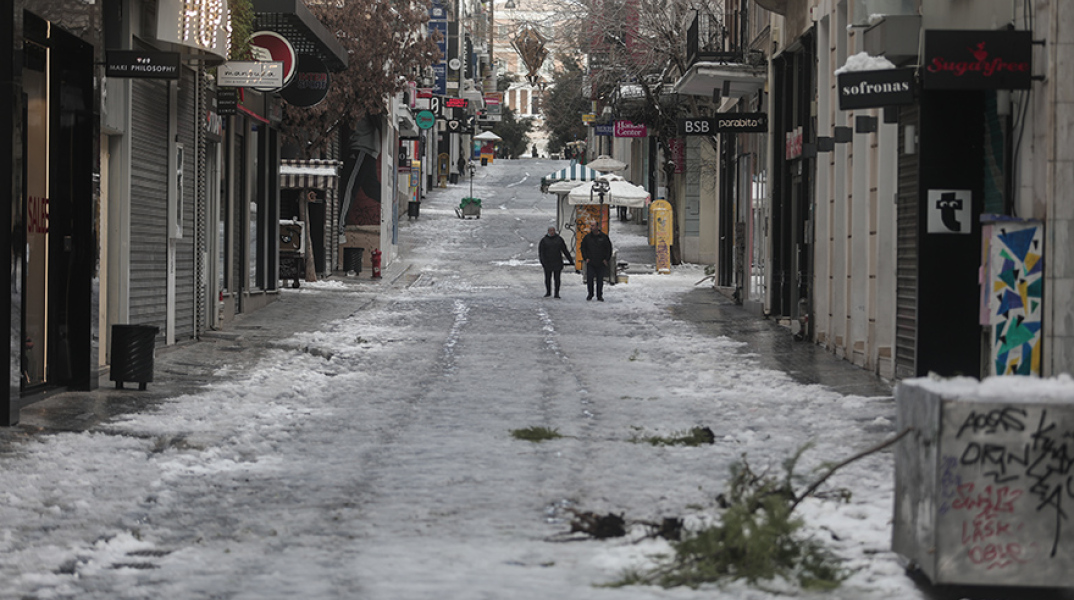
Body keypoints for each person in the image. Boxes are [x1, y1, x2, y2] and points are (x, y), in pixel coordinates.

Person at [538, 227, 573, 298]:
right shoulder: (544, 240)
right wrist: (543, 262)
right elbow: (541, 252)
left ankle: (556, 293)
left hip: (557, 262)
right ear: (548, 231)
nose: (552, 232)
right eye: (550, 231)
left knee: (557, 279)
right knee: (548, 278)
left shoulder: (559, 239)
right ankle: (548, 292)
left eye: (553, 231)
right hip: (547, 262)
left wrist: (570, 260)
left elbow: (565, 250)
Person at [580, 225, 613, 301]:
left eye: (594, 226)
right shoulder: (587, 237)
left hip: (601, 262)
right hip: (591, 262)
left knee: (600, 280)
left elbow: (608, 249)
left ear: (598, 227)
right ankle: (590, 294)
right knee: (590, 279)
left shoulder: (604, 237)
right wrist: (585, 258)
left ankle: (599, 295)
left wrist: (606, 259)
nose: (592, 228)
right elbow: (583, 247)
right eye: (591, 226)